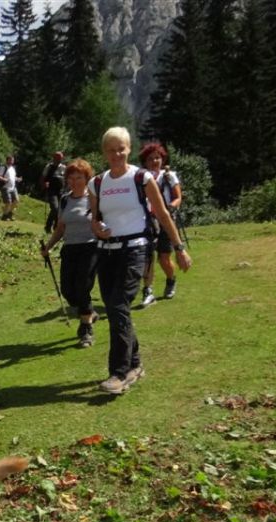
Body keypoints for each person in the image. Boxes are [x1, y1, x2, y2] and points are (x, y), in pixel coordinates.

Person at [88, 127, 192, 394]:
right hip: (106, 251)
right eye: (111, 150)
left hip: (135, 250)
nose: (116, 154)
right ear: (105, 152)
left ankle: (119, 374)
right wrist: (97, 228)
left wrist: (179, 247)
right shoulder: (97, 183)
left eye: (121, 148)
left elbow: (163, 213)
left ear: (129, 149)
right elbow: (95, 219)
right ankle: (134, 364)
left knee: (119, 304)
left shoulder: (142, 178)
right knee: (114, 308)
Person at [40, 159, 100, 348]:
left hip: (90, 247)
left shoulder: (93, 198)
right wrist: (48, 246)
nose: (75, 181)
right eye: (71, 178)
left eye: (79, 177)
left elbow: (102, 223)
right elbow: (60, 227)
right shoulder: (65, 199)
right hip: (70, 248)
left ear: (87, 178)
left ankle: (86, 329)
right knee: (68, 290)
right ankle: (88, 312)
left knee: (82, 286)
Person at [138, 143, 183, 306]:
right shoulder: (141, 177)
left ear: (162, 159)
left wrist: (170, 207)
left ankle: (171, 279)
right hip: (147, 220)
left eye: (157, 157)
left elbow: (178, 197)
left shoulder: (169, 176)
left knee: (164, 258)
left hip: (165, 220)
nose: (155, 161)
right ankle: (147, 290)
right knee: (148, 257)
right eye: (150, 159)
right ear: (145, 161)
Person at [41, 151, 67, 233]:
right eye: (57, 158)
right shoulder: (49, 167)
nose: (59, 159)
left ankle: (56, 228)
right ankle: (48, 226)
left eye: (60, 158)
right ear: (54, 158)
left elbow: (67, 179)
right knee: (55, 208)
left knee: (60, 210)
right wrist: (44, 184)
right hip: (51, 191)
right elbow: (42, 177)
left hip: (61, 191)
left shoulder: (64, 168)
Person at [0, 155, 20, 220]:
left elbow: (13, 177)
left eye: (12, 160)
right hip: (5, 187)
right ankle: (4, 216)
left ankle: (9, 213)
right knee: (8, 203)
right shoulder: (3, 167)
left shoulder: (13, 168)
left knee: (16, 201)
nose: (11, 161)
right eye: (10, 160)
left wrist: (18, 179)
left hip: (13, 187)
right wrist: (4, 180)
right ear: (7, 160)